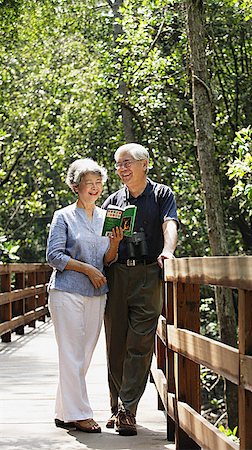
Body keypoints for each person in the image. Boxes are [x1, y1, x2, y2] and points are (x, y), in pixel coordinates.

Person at [102, 143, 178, 436]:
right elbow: (106, 255)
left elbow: (169, 223)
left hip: (149, 274)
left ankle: (127, 410)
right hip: (118, 274)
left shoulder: (161, 194)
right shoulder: (112, 200)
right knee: (116, 345)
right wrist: (114, 242)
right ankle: (115, 406)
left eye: (127, 163)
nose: (122, 169)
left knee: (141, 343)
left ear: (145, 164)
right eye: (118, 164)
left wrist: (168, 251)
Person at [46, 158, 122, 433]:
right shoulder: (63, 216)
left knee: (84, 355)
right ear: (76, 186)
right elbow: (54, 256)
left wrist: (114, 243)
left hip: (97, 293)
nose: (94, 188)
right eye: (88, 183)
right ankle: (80, 414)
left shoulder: (106, 216)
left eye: (98, 183)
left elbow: (109, 260)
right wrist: (87, 269)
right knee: (71, 353)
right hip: (66, 291)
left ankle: (62, 410)